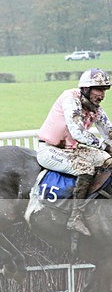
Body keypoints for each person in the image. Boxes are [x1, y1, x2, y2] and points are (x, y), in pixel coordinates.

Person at [37, 68, 112, 235]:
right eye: (98, 90)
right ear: (85, 89)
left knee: (108, 160)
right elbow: (78, 132)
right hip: (50, 150)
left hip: (73, 150)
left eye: (104, 91)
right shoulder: (70, 98)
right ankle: (75, 218)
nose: (102, 95)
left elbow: (109, 133)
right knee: (86, 169)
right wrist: (104, 146)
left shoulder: (95, 108)